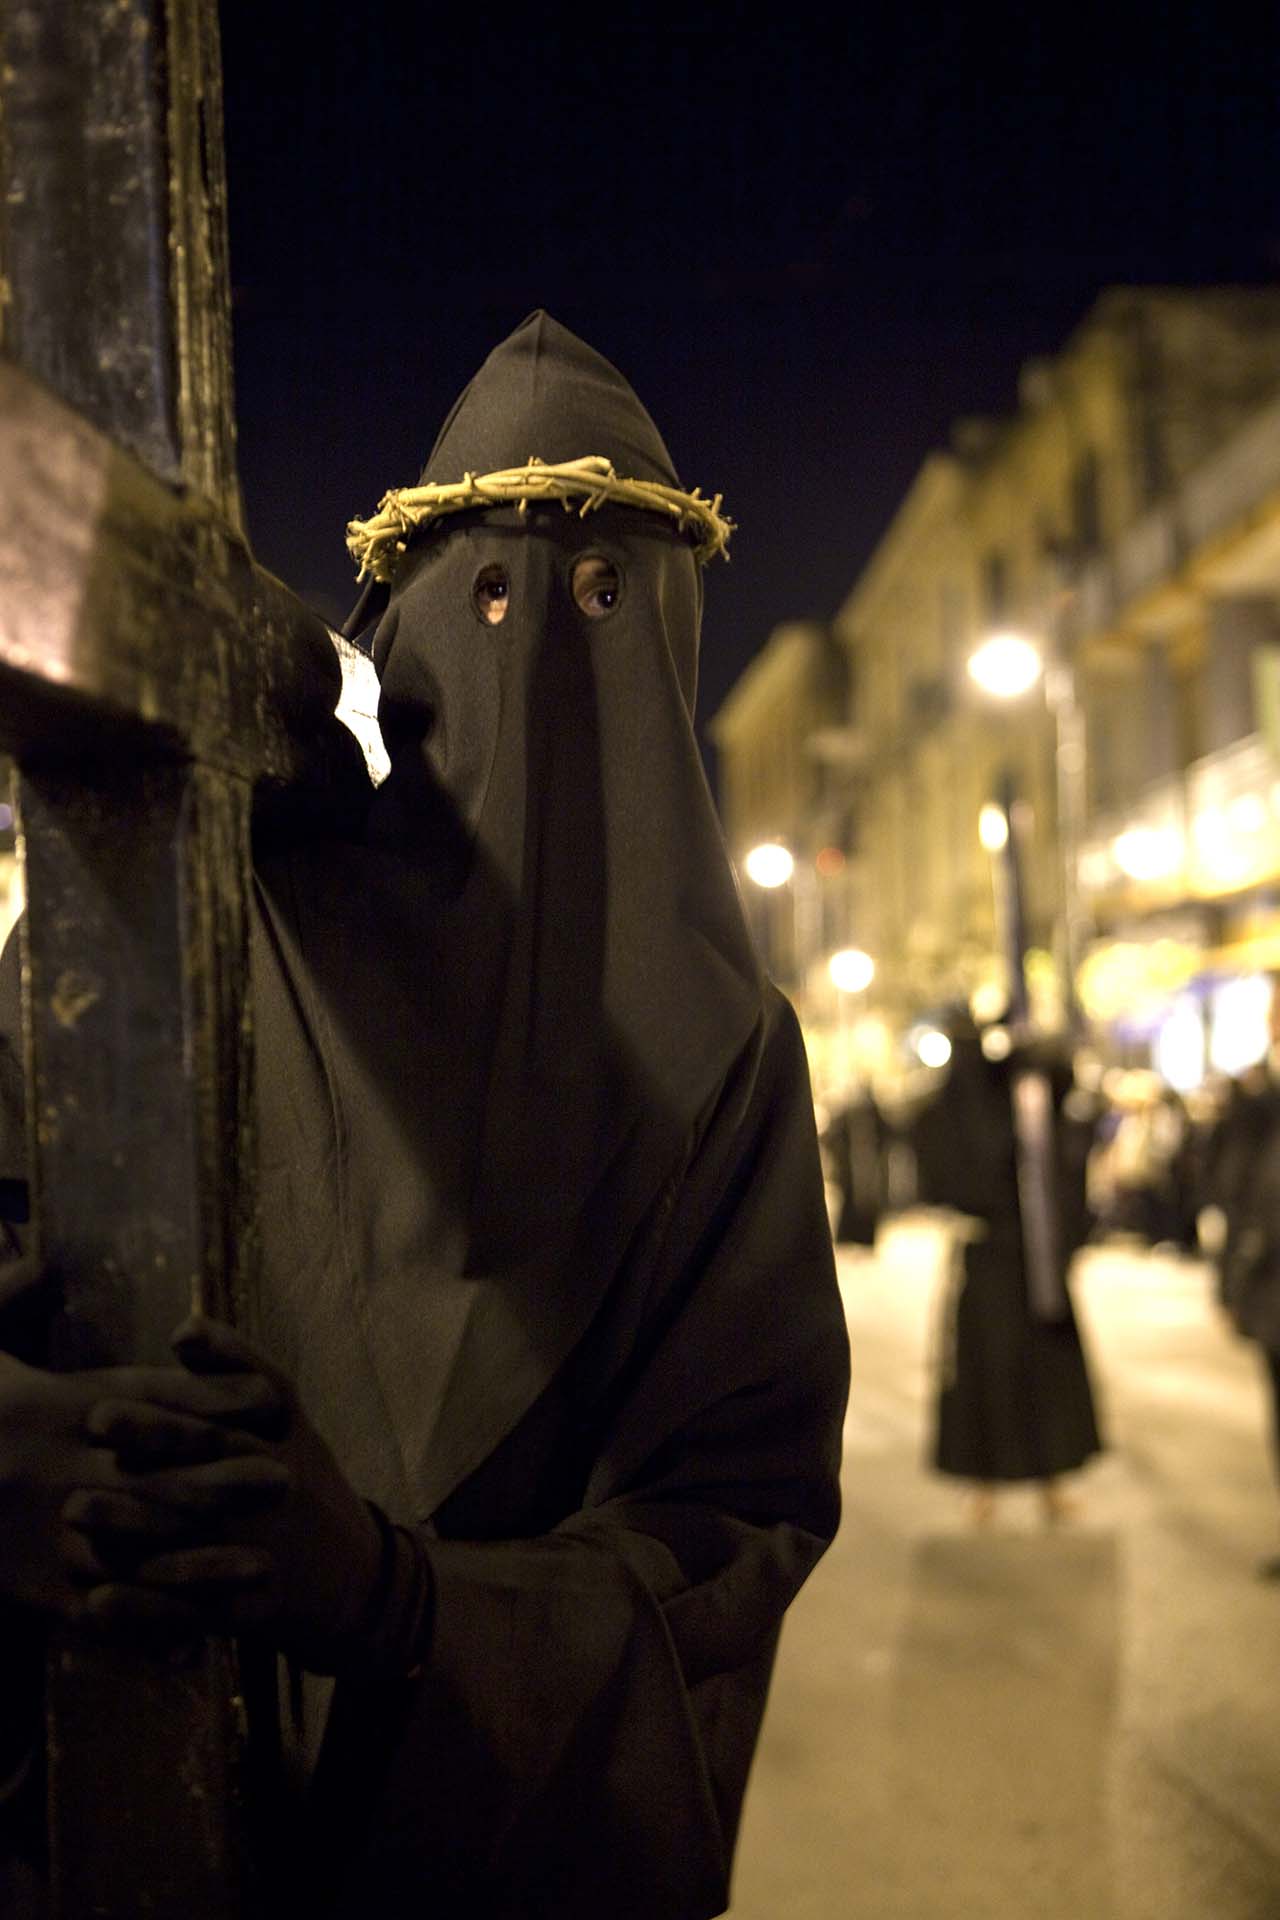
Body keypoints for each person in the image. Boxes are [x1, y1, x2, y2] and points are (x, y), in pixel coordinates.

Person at [0, 313, 849, 1916]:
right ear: (401, 631)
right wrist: (66, 1461)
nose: (540, 661)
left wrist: (408, 1604)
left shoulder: (734, 1063)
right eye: (494, 598)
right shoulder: (193, 920)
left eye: (603, 601)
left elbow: (740, 1522)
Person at [908, 1006, 1102, 1527]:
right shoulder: (966, 1101)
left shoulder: (1035, 1090)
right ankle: (985, 1482)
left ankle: (1052, 1479)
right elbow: (954, 1155)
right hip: (991, 1256)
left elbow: (1064, 1095)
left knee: (1045, 1371)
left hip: (1035, 1257)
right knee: (986, 1371)